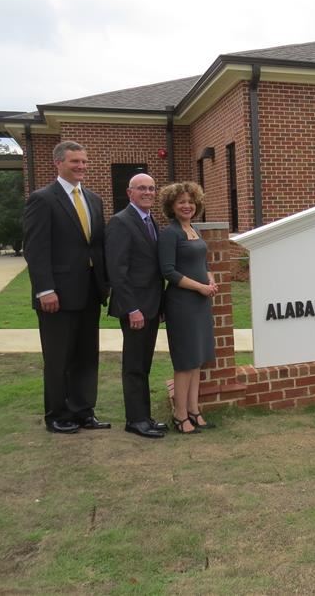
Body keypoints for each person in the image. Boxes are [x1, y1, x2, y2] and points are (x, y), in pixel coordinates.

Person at [23, 141, 110, 434]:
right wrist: (45, 289)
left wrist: (105, 284)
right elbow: (35, 249)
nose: (81, 167)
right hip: (57, 295)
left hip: (89, 292)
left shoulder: (94, 199)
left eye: (84, 161)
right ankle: (57, 415)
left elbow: (97, 246)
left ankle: (84, 411)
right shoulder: (42, 199)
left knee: (87, 356)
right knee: (58, 358)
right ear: (58, 163)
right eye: (75, 161)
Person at [105, 173, 168, 439]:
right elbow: (117, 271)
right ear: (129, 192)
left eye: (152, 188)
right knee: (134, 365)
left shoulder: (150, 220)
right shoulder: (121, 222)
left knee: (144, 364)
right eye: (141, 188)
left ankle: (145, 416)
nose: (148, 192)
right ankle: (136, 420)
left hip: (151, 306)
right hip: (135, 309)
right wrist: (132, 309)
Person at [157, 182, 218, 434]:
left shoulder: (194, 230)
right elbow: (168, 271)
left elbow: (200, 263)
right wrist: (200, 287)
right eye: (181, 202)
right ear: (172, 205)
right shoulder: (170, 233)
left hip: (200, 303)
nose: (187, 206)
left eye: (190, 201)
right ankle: (180, 415)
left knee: (196, 360)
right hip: (182, 304)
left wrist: (210, 277)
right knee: (184, 361)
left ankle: (194, 410)